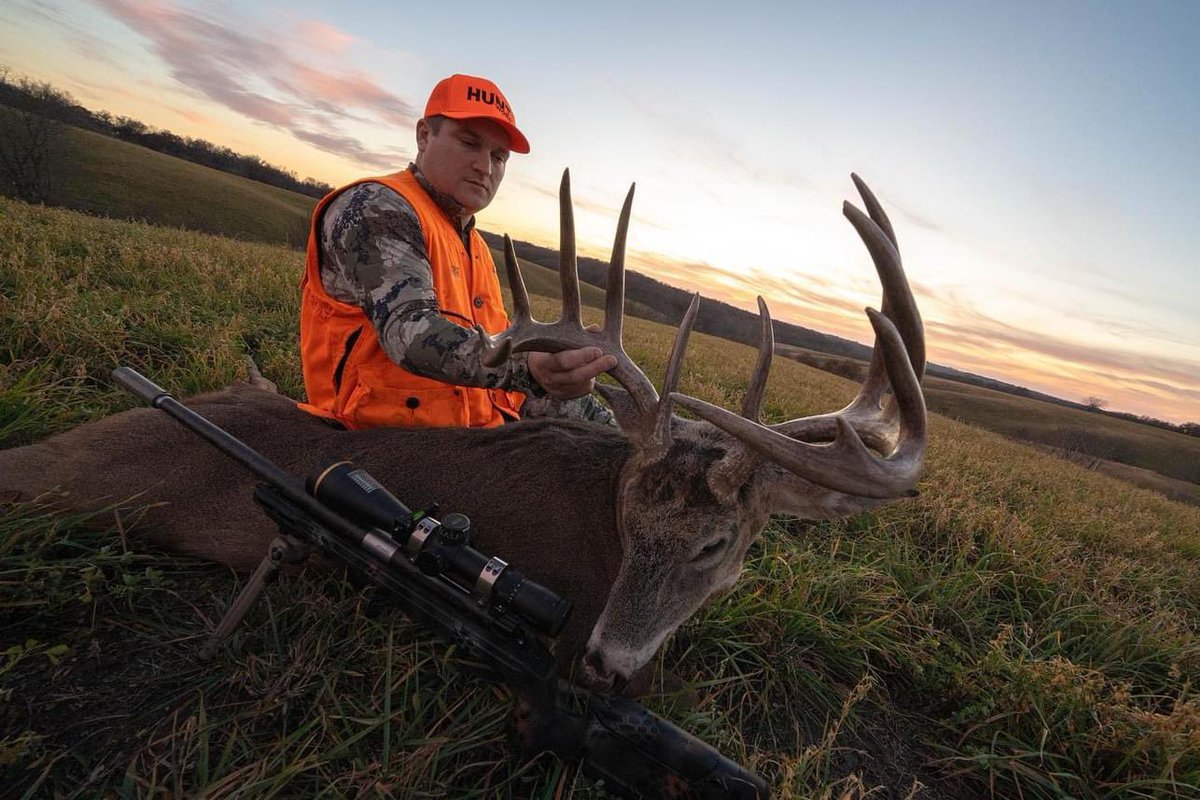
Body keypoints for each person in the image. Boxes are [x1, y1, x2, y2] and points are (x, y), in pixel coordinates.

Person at [298, 73, 616, 430]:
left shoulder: (475, 248)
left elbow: (502, 376)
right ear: (423, 135)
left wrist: (611, 425)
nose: (485, 167)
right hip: (371, 446)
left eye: (498, 156)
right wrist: (526, 365)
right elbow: (410, 334)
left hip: (472, 447)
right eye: (469, 143)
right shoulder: (376, 207)